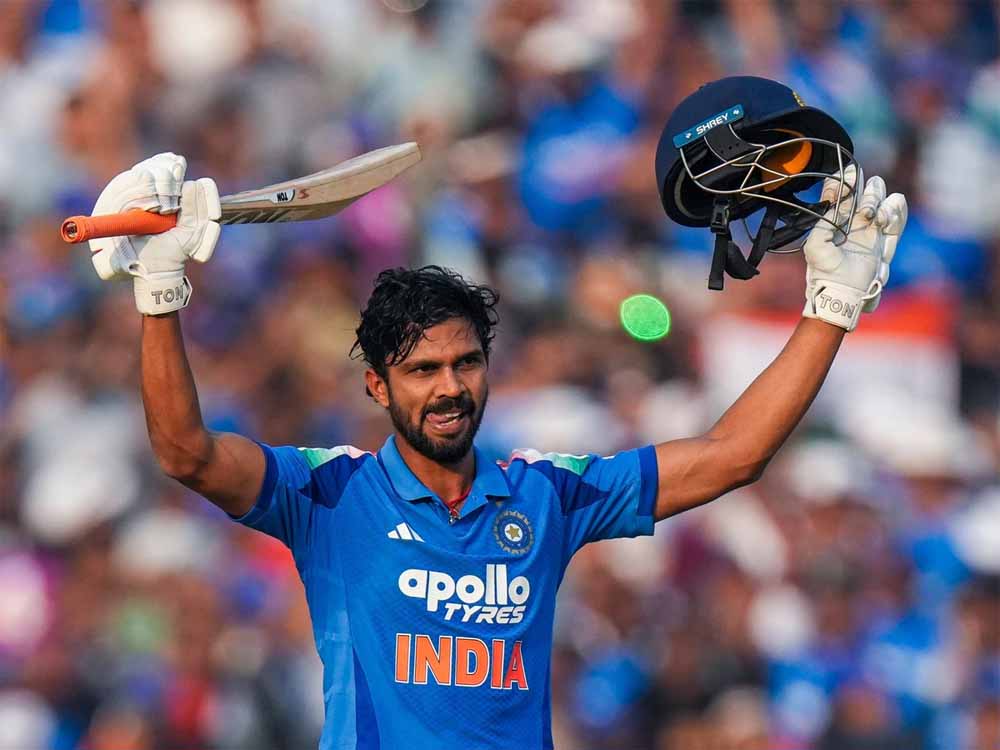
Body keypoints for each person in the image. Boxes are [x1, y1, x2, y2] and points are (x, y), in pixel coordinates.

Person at [85, 106, 905, 746]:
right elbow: (186, 454)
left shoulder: (545, 494)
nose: (449, 389)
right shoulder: (329, 495)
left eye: (465, 364)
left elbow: (734, 456)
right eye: (422, 371)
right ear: (376, 385)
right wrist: (161, 295)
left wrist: (830, 308)